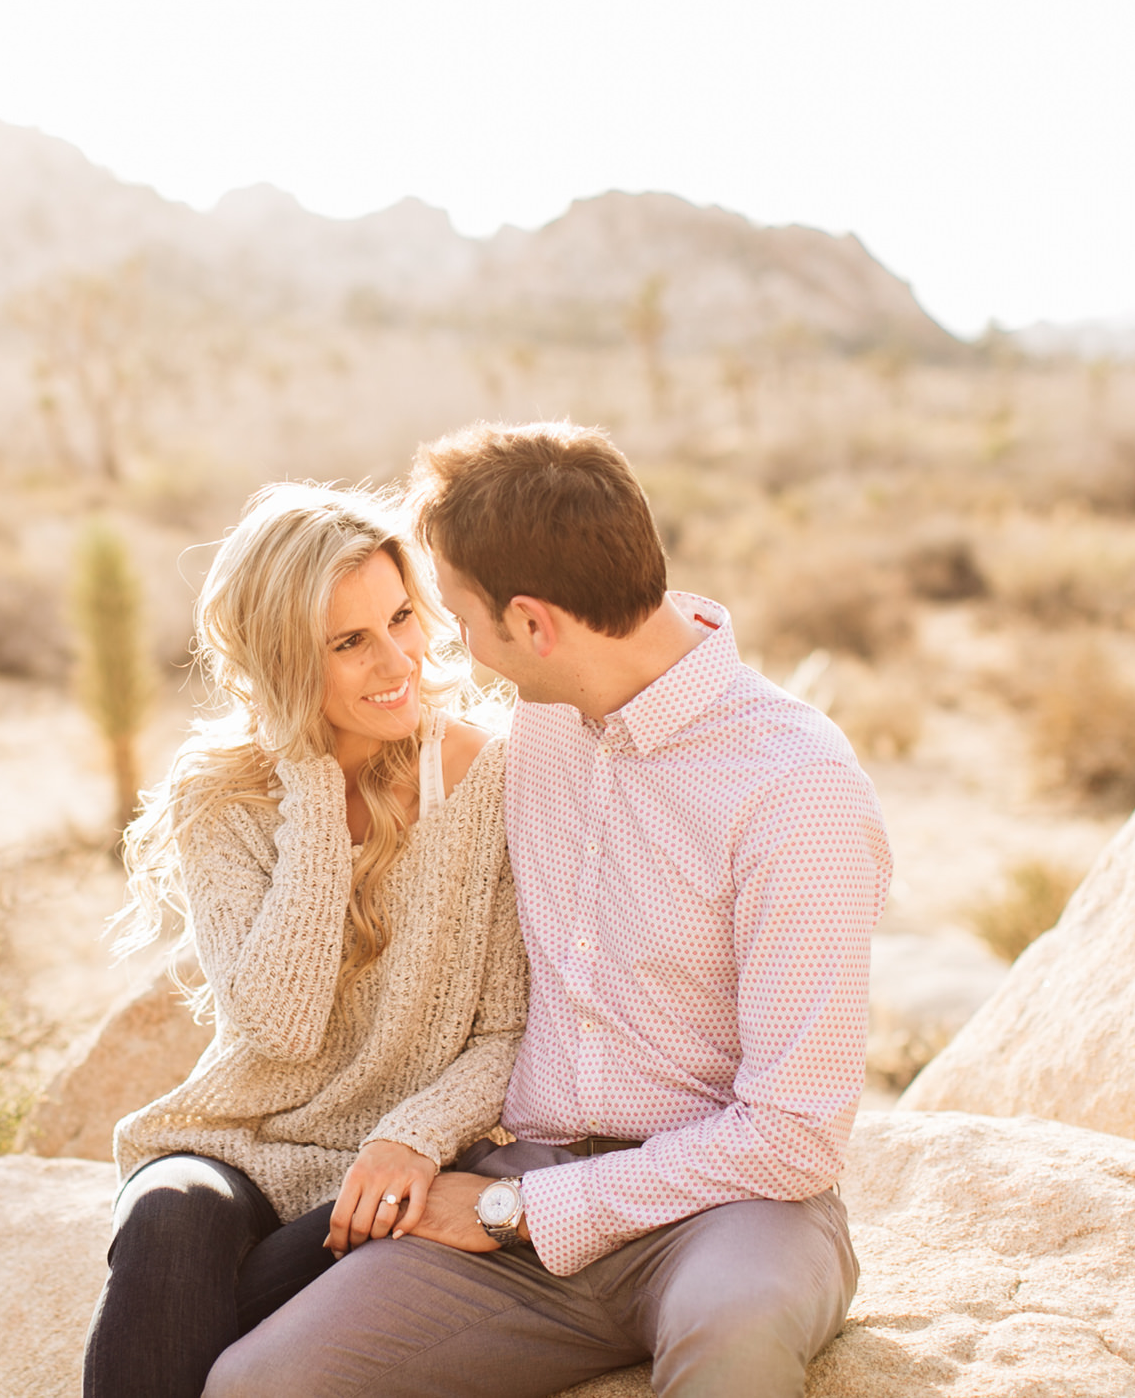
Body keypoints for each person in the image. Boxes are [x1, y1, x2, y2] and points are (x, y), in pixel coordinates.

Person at [206, 423, 892, 1398]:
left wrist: (517, 1207)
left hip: (729, 1208)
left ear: (532, 624)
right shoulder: (534, 724)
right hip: (515, 1199)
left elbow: (792, 1136)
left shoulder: (794, 790)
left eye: (455, 618)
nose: (446, 645)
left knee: (730, 1351)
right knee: (260, 1383)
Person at [81, 482, 528, 1398]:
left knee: (201, 1316)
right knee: (169, 1219)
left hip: (383, 1171)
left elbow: (507, 1031)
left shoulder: (486, 777)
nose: (398, 659)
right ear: (284, 661)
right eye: (349, 642)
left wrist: (413, 1135)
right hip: (235, 1150)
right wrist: (314, 783)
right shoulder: (222, 792)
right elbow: (276, 1028)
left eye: (403, 617)